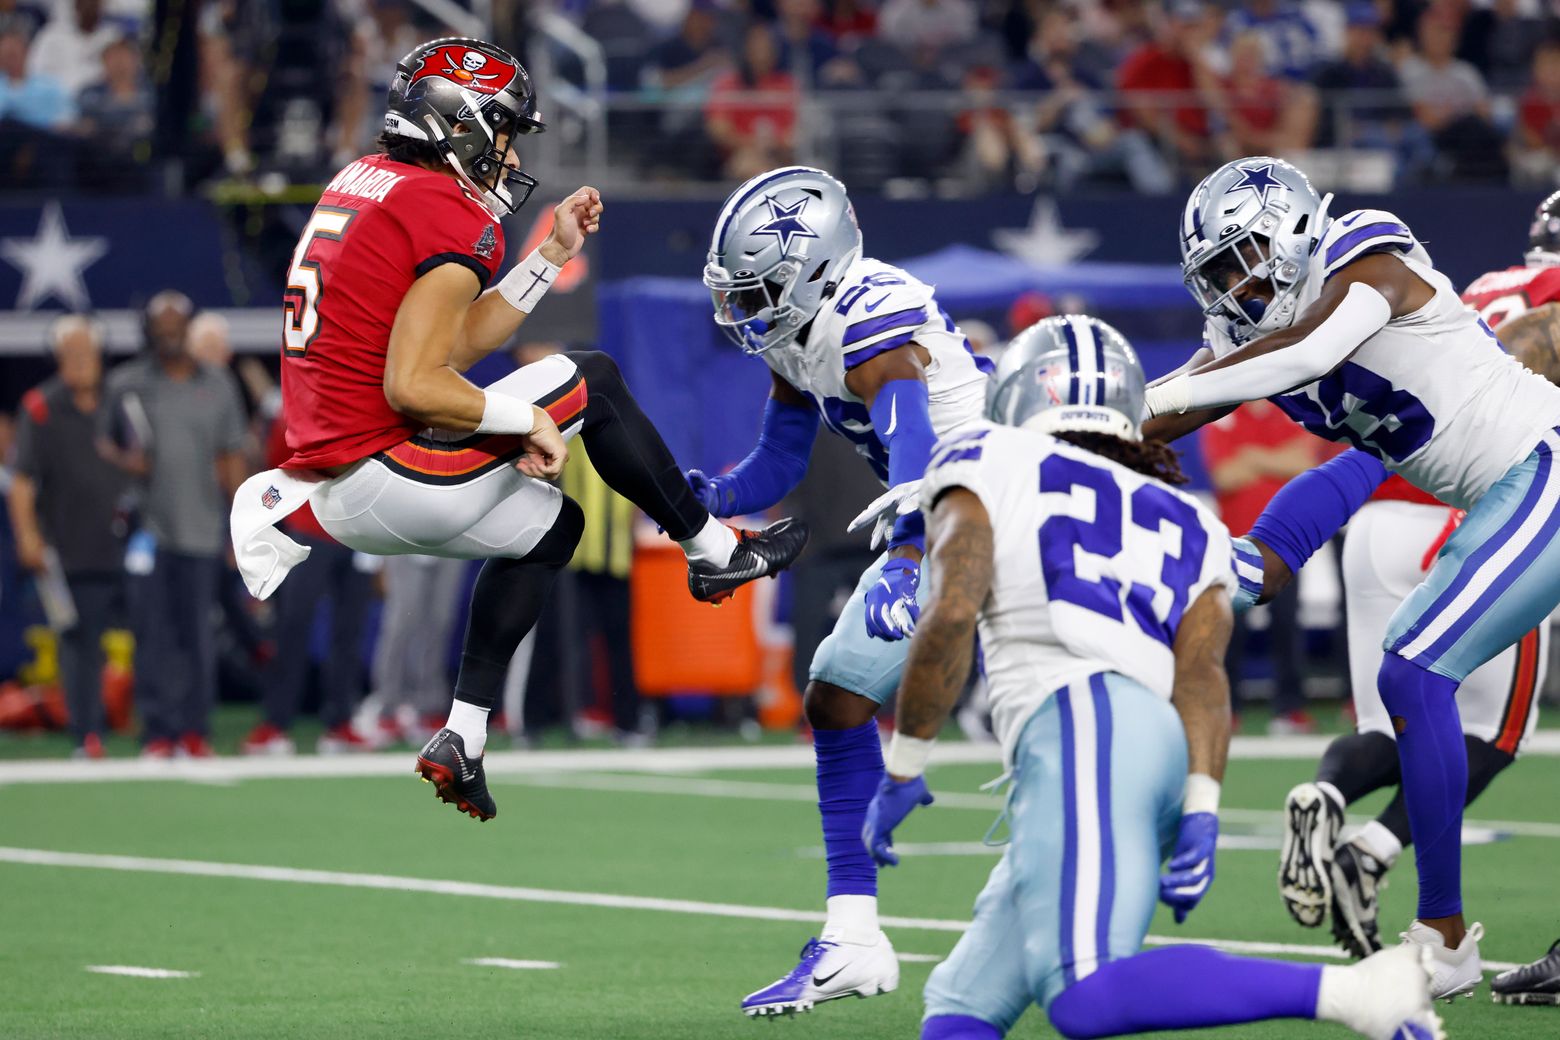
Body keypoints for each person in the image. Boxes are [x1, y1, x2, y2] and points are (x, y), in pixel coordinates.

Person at [230, 37, 807, 821]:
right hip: (387, 470)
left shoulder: (366, 184)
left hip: (344, 480)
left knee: (549, 528)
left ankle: (463, 736)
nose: (506, 154)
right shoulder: (439, 204)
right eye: (501, 131)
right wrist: (524, 417)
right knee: (594, 378)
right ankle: (713, 552)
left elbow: (452, 343)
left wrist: (548, 255)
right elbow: (415, 383)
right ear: (457, 123)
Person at [861, 316, 1440, 1040]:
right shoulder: (1178, 510)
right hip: (1156, 748)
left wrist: (906, 759)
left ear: (1018, 392)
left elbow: (950, 613)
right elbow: (1202, 676)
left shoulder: (988, 452)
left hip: (1084, 726)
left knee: (1084, 992)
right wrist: (1199, 803)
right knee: (962, 1010)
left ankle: (1360, 992)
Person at [1142, 156, 1560, 997]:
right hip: (1493, 494)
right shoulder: (1253, 341)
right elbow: (1338, 459)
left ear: (1294, 232)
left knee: (1414, 670)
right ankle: (1440, 936)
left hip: (1544, 460)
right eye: (1216, 271)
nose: (1233, 286)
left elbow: (1301, 355)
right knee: (1410, 675)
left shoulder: (1365, 251)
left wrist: (1135, 401)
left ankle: (1442, 940)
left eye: (1243, 257)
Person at [695, 165, 991, 1016]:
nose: (744, 312)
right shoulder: (799, 333)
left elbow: (915, 449)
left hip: (989, 504)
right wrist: (707, 496)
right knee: (835, 698)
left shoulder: (871, 321)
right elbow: (779, 461)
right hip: (943, 511)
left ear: (816, 270)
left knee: (1027, 710)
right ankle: (854, 938)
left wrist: (904, 554)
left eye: (757, 291)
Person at [102, 291, 248, 758]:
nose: (168, 335)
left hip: (203, 529)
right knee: (151, 633)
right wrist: (127, 459)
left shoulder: (219, 384)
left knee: (199, 636)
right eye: (160, 328)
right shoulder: (126, 383)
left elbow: (231, 457)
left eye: (175, 327)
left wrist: (241, 526)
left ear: (187, 329)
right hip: (148, 530)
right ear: (148, 331)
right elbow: (103, 446)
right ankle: (158, 732)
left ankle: (194, 730)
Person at [7, 316, 127, 758]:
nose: (79, 362)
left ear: (99, 356)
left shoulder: (119, 400)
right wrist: (28, 537)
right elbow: (21, 481)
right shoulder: (40, 406)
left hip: (125, 544)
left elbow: (143, 458)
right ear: (58, 359)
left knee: (153, 633)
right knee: (76, 639)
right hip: (66, 546)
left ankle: (164, 731)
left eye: (86, 353)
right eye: (70, 354)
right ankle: (86, 733)